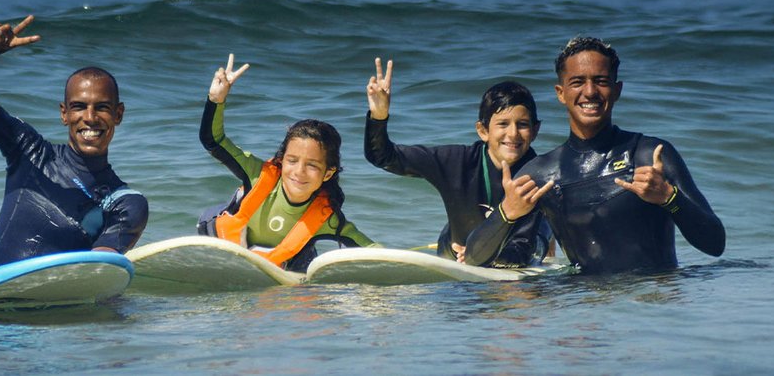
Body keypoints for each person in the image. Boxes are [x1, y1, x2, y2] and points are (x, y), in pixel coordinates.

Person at [472, 37, 725, 274]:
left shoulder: (650, 154)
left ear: (617, 90)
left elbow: (715, 244)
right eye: (577, 82)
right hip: (582, 308)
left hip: (649, 305)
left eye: (601, 81)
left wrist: (669, 198)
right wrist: (506, 213)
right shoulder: (541, 173)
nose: (590, 91)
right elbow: (475, 259)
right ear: (561, 93)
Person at [0, 15, 148, 268]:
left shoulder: (125, 202)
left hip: (56, 302)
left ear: (118, 114)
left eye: (103, 107)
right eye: (79, 107)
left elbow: (100, 268)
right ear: (64, 114)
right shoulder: (30, 153)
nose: (90, 118)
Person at [362, 58, 553, 267]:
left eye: (523, 124)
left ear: (535, 131)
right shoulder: (455, 162)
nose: (513, 133)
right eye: (503, 124)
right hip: (454, 248)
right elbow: (383, 157)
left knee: (544, 225)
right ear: (482, 130)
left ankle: (547, 247)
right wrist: (378, 117)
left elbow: (521, 248)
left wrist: (483, 256)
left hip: (520, 251)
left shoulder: (542, 175)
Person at [196, 54, 379, 272]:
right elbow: (213, 141)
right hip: (224, 240)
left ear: (328, 173)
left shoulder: (326, 218)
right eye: (292, 160)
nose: (299, 172)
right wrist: (216, 101)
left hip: (278, 265)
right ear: (282, 160)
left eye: (312, 165)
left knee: (305, 264)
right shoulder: (257, 174)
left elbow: (371, 250)